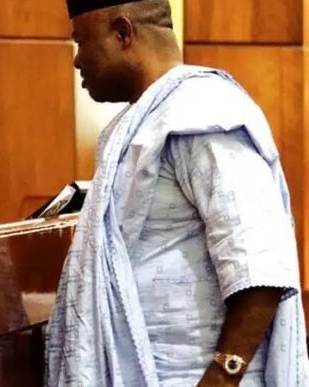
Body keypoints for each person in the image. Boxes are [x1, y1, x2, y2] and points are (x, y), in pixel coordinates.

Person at [45, 1, 309, 386]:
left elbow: (261, 265)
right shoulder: (139, 125)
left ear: (122, 33)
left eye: (81, 42)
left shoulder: (202, 114)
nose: (77, 60)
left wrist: (221, 376)